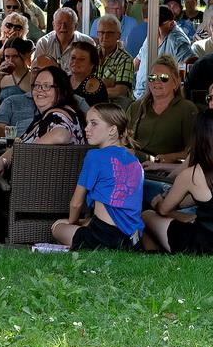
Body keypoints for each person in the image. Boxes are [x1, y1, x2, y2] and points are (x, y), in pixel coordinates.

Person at [142, 109, 213, 254]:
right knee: (187, 218)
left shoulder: (193, 173)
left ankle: (152, 255)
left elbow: (164, 210)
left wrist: (158, 202)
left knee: (147, 215)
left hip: (205, 244)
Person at [51, 103, 144, 250]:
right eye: (87, 123)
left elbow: (76, 203)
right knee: (89, 221)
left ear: (112, 130)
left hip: (104, 236)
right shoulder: (134, 161)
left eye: (94, 123)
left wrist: (72, 223)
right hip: (133, 239)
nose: (86, 128)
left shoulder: (95, 156)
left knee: (57, 227)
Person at [0, 65, 87, 181]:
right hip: (45, 185)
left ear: (61, 90)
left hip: (39, 186)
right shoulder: (56, 115)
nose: (39, 90)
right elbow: (20, 146)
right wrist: (1, 161)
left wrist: (24, 152)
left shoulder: (57, 116)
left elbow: (61, 135)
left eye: (46, 86)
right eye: (37, 85)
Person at [128, 54, 197, 164]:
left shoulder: (187, 109)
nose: (156, 81)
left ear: (175, 83)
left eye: (164, 78)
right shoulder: (136, 107)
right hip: (133, 164)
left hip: (166, 169)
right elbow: (123, 140)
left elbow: (193, 151)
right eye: (152, 77)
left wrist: (161, 159)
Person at [133, 8, 193, 99]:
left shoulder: (178, 42)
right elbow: (138, 60)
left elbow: (185, 71)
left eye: (159, 26)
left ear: (171, 24)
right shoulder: (152, 34)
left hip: (159, 97)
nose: (154, 30)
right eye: (151, 25)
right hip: (138, 94)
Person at [33, 7, 94, 73]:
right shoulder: (44, 43)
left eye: (67, 23)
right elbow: (36, 70)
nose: (63, 27)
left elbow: (92, 70)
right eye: (59, 23)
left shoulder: (87, 43)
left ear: (76, 26)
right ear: (54, 25)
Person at [94, 14, 135, 105]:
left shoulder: (125, 59)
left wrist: (93, 90)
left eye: (110, 33)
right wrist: (108, 83)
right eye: (101, 32)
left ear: (118, 36)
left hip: (116, 108)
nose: (105, 36)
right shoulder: (91, 55)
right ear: (97, 34)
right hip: (93, 106)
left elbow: (119, 91)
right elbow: (82, 82)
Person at [0, 37, 34, 103]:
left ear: (25, 56)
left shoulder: (33, 78)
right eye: (7, 57)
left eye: (15, 56)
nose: (11, 61)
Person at [69, 41, 108, 107]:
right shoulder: (64, 80)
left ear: (92, 64)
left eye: (81, 59)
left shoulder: (96, 86)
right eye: (73, 58)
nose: (75, 62)